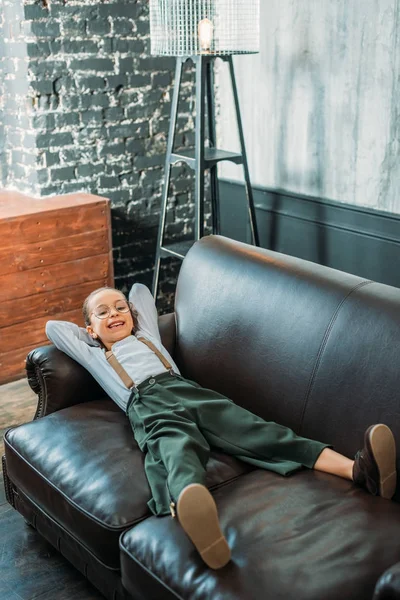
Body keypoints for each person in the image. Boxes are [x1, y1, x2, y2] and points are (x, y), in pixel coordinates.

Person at [46, 283, 397, 570]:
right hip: (148, 405)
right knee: (176, 449)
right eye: (103, 313)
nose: (115, 315)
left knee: (262, 431)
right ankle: (196, 516)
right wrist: (91, 331)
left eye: (120, 308)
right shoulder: (94, 353)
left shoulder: (146, 333)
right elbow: (56, 330)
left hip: (189, 392)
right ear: (90, 329)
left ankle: (359, 471)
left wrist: (124, 310)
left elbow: (140, 292)